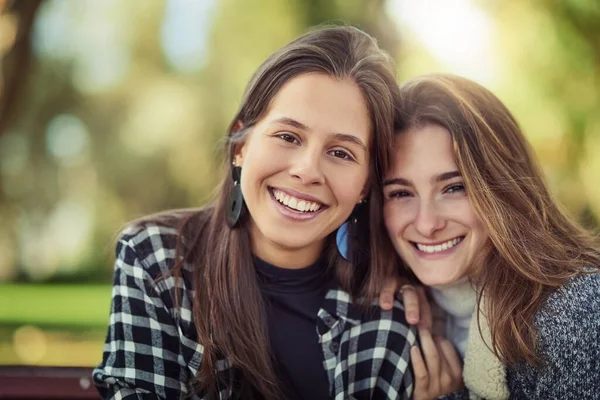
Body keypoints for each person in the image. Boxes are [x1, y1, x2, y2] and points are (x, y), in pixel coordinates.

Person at [93, 26, 418, 400]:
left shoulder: (390, 308)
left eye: (341, 153)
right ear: (241, 145)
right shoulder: (156, 262)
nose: (308, 170)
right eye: (288, 137)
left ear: (364, 185)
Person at [380, 73, 600, 399]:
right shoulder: (386, 314)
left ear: (502, 188)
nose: (426, 224)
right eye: (400, 193)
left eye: (454, 188)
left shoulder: (579, 315)